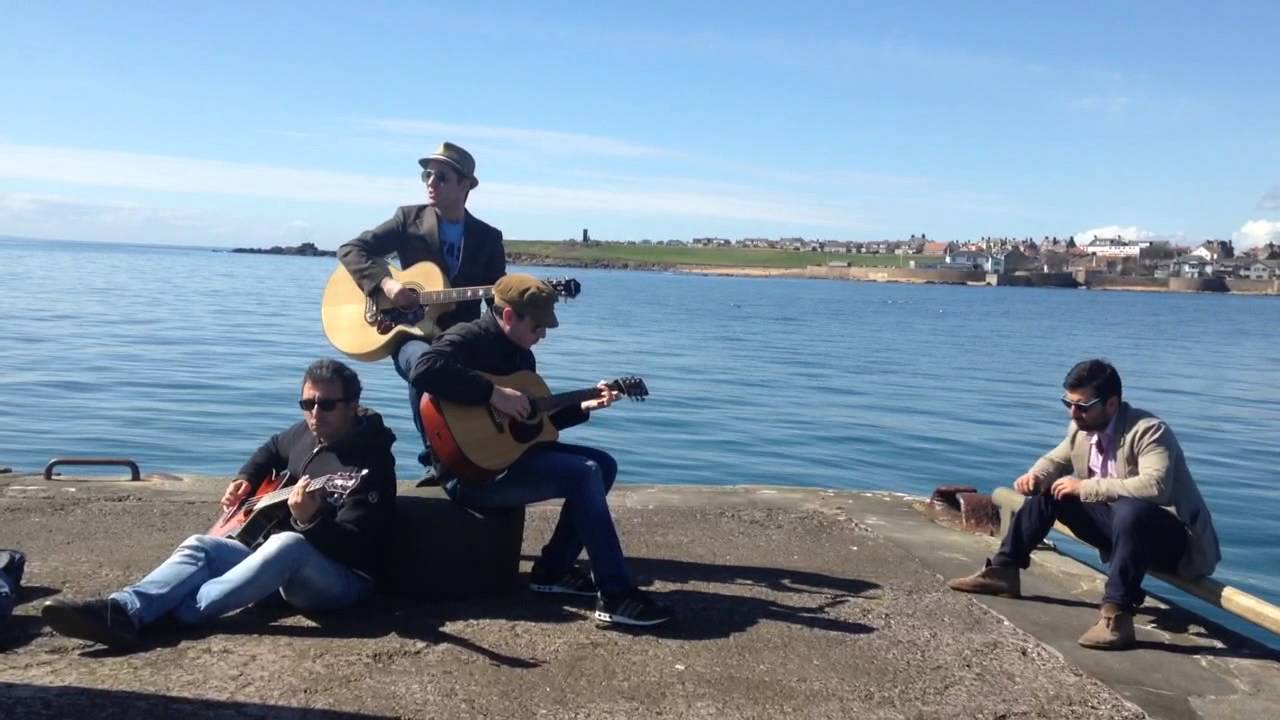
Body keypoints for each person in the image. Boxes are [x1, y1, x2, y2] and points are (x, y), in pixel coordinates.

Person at [41, 359, 397, 649]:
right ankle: (124, 608)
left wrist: (311, 519)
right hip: (279, 571)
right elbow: (272, 449)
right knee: (203, 546)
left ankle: (172, 615)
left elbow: (358, 546)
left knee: (288, 543)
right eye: (308, 403)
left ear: (352, 406)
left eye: (327, 404)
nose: (315, 412)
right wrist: (246, 478)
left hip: (344, 581)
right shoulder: (307, 433)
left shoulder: (372, 461)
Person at [413, 274, 674, 628]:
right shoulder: (468, 338)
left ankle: (553, 571)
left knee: (604, 465)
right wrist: (493, 394)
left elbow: (529, 429)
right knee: (585, 472)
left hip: (506, 460)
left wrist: (583, 407)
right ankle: (616, 595)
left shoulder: (522, 357)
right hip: (471, 474)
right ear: (508, 317)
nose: (543, 335)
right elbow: (424, 368)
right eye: (537, 326)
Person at [946, 359, 1220, 650]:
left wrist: (1084, 487)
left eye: (1083, 406)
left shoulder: (1150, 431)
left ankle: (1117, 615)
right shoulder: (1081, 429)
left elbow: (1155, 487)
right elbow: (1055, 460)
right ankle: (1004, 571)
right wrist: (1036, 476)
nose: (1074, 413)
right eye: (1069, 403)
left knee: (1132, 509)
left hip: (1171, 542)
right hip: (1121, 530)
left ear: (1112, 404)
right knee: (1052, 491)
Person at [338, 141, 505, 469]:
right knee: (424, 367)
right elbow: (351, 249)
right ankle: (436, 460)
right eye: (427, 174)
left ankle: (483, 454)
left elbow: (495, 299)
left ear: (465, 185)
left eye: (441, 176)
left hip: (460, 335)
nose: (431, 181)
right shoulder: (408, 219)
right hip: (407, 331)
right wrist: (386, 283)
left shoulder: (488, 238)